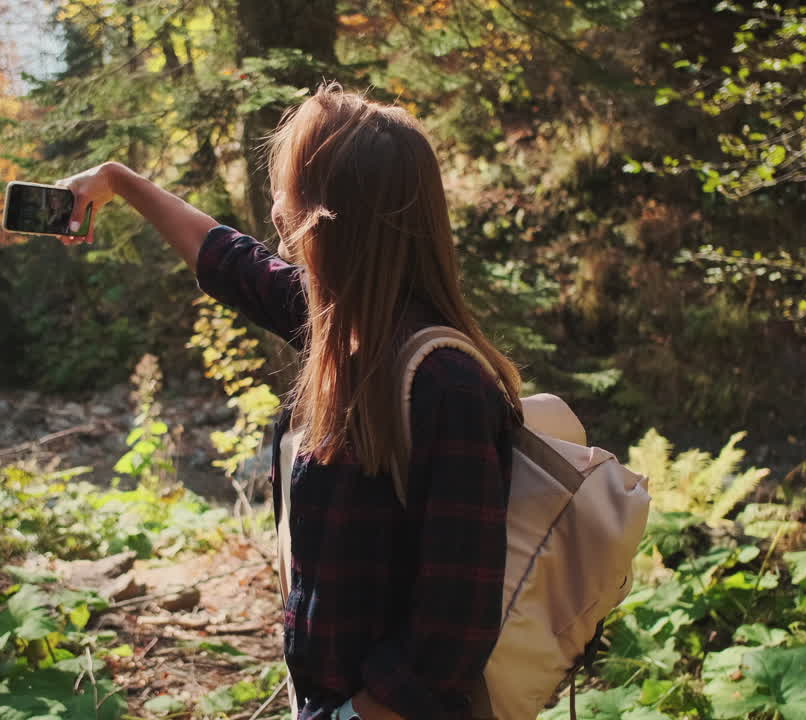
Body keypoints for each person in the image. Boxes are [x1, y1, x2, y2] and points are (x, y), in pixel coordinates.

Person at [56, 83, 522, 720]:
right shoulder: (346, 322)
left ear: (329, 212)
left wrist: (349, 716)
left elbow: (452, 638)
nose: (275, 206)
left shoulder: (448, 386)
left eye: (287, 185)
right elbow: (227, 259)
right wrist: (120, 181)